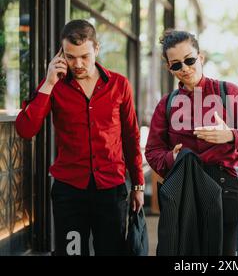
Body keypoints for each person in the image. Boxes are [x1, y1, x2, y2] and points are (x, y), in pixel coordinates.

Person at [15, 19, 144, 256]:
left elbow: (131, 136)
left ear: (97, 48)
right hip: (70, 192)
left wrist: (137, 184)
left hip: (111, 190)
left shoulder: (119, 85)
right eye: (71, 56)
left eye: (84, 56)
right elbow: (25, 128)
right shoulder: (54, 85)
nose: (78, 64)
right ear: (61, 53)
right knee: (72, 254)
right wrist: (49, 82)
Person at [145, 29, 238, 256]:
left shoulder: (227, 92)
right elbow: (152, 151)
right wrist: (170, 157)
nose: (185, 69)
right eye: (176, 65)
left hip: (224, 187)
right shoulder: (167, 104)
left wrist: (230, 135)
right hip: (183, 189)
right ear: (169, 68)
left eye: (190, 60)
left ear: (201, 58)